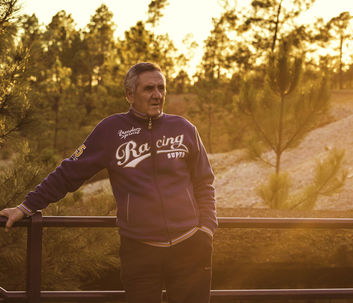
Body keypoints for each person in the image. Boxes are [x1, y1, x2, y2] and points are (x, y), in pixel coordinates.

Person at [0, 62, 217, 303]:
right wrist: (26, 207)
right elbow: (69, 173)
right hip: (140, 250)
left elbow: (204, 182)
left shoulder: (184, 128)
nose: (157, 95)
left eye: (161, 88)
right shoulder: (110, 131)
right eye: (148, 89)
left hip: (190, 247)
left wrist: (206, 229)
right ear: (129, 95)